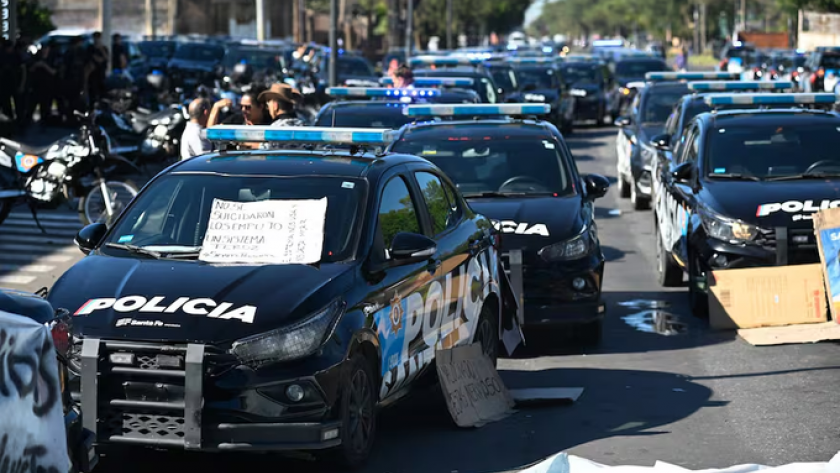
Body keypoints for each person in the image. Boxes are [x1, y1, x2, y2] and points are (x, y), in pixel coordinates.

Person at [257, 83, 305, 150]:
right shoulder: (303, 126)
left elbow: (266, 149)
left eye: (268, 102)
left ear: (275, 105)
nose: (267, 108)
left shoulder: (275, 128)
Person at [29, 42, 58, 124]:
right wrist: (36, 65)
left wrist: (44, 65)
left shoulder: (52, 58)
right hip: (36, 85)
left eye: (46, 48)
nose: (44, 50)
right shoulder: (36, 57)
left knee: (46, 106)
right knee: (31, 105)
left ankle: (45, 121)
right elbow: (30, 69)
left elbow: (54, 72)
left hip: (48, 86)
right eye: (43, 48)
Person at [87, 32, 109, 105]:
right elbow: (91, 58)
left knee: (102, 93)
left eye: (98, 38)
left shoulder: (104, 48)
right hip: (92, 74)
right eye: (95, 38)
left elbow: (106, 58)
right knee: (92, 93)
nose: (97, 40)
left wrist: (101, 49)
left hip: (101, 74)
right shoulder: (90, 48)